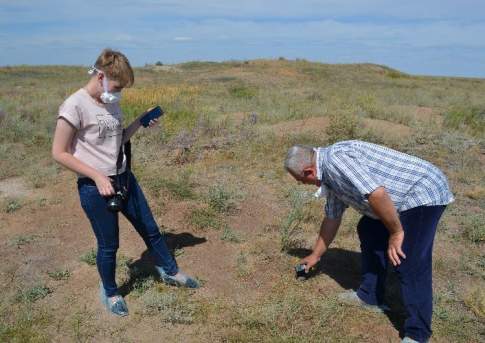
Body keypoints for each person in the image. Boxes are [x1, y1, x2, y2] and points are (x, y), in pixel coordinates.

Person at [52, 49, 199, 317]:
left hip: (123, 178)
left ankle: (170, 271)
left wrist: (139, 123)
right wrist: (97, 176)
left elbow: (118, 140)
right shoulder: (74, 105)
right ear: (100, 76)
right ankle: (110, 291)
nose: (118, 92)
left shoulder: (110, 102)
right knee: (109, 245)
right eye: (117, 86)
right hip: (95, 187)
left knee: (151, 229)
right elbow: (59, 152)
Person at [285, 140, 454, 343]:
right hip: (394, 199)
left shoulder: (337, 160)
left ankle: (418, 333)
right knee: (369, 229)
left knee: (408, 259)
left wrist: (396, 232)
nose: (303, 185)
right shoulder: (329, 175)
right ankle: (370, 296)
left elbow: (377, 193)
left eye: (302, 181)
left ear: (309, 172)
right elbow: (332, 217)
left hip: (423, 192)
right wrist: (315, 255)